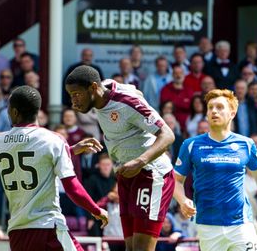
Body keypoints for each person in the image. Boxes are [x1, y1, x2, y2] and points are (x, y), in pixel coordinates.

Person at [64, 65, 176, 251]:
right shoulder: (104, 88)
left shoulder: (126, 103)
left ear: (93, 88)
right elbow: (129, 88)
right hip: (126, 175)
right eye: (70, 95)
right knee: (130, 248)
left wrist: (141, 161)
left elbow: (168, 135)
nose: (73, 101)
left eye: (76, 94)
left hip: (151, 174)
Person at [0, 86, 108, 250]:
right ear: (37, 111)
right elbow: (71, 187)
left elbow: (31, 154)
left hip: (17, 231)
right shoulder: (54, 140)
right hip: (47, 228)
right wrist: (96, 210)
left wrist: (70, 150)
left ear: (15, 112)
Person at [173, 89, 257, 251]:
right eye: (210, 107)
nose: (214, 111)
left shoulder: (246, 144)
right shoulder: (191, 145)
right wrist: (182, 200)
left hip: (241, 224)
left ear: (232, 113)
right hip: (207, 225)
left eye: (219, 107)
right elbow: (176, 180)